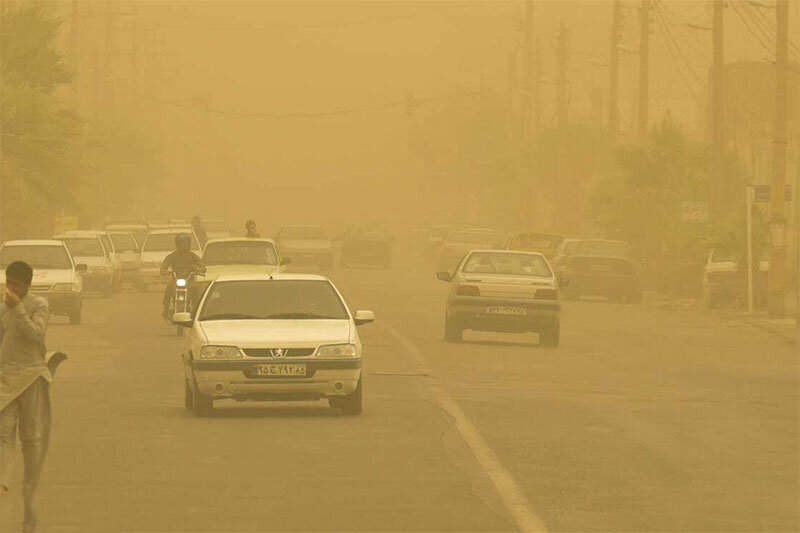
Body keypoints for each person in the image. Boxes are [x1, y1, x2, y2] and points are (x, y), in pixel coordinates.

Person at [0, 261, 51, 531]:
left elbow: (36, 336)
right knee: (4, 430)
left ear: (27, 285)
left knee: (30, 437)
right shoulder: (2, 309)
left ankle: (29, 488)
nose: (11, 289)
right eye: (8, 283)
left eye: (16, 285)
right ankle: (3, 481)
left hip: (32, 377)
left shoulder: (38, 305)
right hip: (7, 378)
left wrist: (17, 307)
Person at [159, 233, 206, 319]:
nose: (183, 245)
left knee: (196, 290)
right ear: (177, 243)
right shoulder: (172, 256)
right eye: (181, 243)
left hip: (189, 281)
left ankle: (196, 310)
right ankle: (166, 309)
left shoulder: (193, 256)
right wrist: (164, 271)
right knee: (169, 288)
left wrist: (198, 269)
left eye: (185, 243)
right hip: (175, 280)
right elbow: (164, 266)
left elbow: (202, 266)